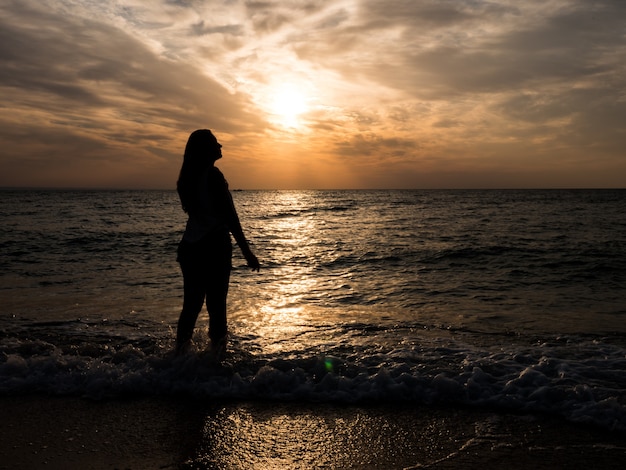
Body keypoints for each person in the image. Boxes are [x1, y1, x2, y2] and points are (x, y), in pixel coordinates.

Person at [175, 129, 260, 354]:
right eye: (215, 143)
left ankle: (178, 359)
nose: (220, 146)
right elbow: (230, 217)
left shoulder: (188, 179)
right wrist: (247, 252)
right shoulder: (213, 175)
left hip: (190, 247)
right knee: (216, 307)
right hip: (213, 247)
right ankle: (217, 361)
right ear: (205, 149)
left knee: (191, 307)